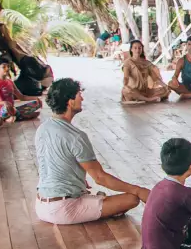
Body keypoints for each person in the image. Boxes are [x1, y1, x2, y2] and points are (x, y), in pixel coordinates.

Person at [34, 78, 149, 224]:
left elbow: (55, 163)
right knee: (131, 199)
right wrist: (138, 190)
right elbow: (100, 178)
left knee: (96, 194)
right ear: (70, 102)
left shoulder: (42, 129)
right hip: (63, 209)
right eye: (78, 95)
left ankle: (93, 204)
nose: (82, 98)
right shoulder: (76, 136)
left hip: (41, 206)